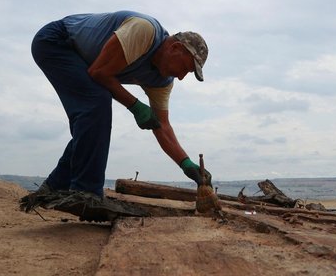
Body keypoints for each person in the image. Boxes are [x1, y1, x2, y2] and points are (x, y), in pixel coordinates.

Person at [30, 10, 211, 199]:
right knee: (97, 103)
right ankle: (85, 193)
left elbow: (162, 125)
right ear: (175, 48)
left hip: (84, 61)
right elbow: (98, 72)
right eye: (184, 68)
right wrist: (135, 106)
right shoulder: (144, 31)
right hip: (57, 42)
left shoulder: (162, 80)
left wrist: (186, 163)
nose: (181, 77)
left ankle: (56, 187)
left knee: (92, 116)